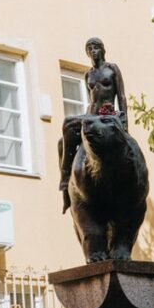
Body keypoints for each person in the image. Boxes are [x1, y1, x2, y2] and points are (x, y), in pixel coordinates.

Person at [59, 38, 128, 212]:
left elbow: (121, 96)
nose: (93, 51)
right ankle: (66, 179)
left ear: (103, 50)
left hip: (108, 114)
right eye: (90, 48)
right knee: (65, 129)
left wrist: (124, 121)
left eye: (96, 47)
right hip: (92, 114)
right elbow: (90, 99)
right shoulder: (88, 74)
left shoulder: (112, 69)